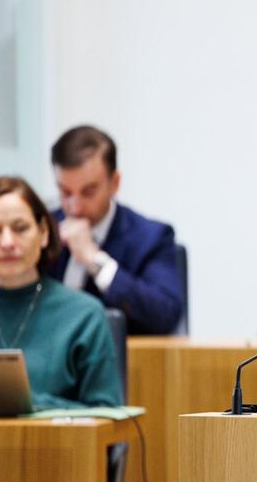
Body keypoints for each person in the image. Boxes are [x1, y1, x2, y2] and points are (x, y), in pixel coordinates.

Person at [0, 176, 122, 409]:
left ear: (43, 232)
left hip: (62, 446)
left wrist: (29, 403)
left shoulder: (85, 315)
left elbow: (107, 413)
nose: (7, 242)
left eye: (20, 228)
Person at [49, 124, 183, 334]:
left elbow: (165, 315)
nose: (75, 206)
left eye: (89, 192)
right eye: (65, 192)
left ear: (115, 183)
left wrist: (94, 259)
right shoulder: (40, 230)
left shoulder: (150, 237)